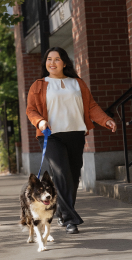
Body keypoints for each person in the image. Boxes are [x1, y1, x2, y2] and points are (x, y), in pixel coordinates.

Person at [26, 47, 117, 234]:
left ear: (65, 63)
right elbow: (31, 110)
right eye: (49, 59)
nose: (52, 63)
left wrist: (105, 119)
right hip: (50, 136)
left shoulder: (78, 83)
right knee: (61, 172)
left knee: (73, 176)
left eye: (57, 59)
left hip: (75, 133)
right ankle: (70, 219)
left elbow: (91, 106)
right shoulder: (39, 84)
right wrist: (40, 121)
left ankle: (62, 212)